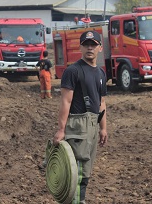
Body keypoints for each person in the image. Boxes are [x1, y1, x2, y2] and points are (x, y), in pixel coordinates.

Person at [53, 30, 107, 204]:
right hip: (77, 125)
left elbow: (102, 103)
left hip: (92, 124)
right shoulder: (73, 71)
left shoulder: (101, 73)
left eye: (93, 44)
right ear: (80, 47)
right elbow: (66, 102)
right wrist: (61, 130)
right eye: (86, 44)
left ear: (100, 47)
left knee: (86, 170)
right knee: (76, 170)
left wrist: (103, 128)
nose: (90, 48)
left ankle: (80, 200)